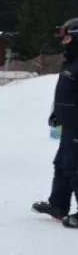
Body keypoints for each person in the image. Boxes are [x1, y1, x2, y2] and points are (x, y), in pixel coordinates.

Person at [33, 18, 78, 228]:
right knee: (61, 164)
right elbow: (66, 93)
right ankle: (58, 205)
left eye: (67, 38)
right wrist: (57, 113)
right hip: (68, 123)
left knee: (74, 167)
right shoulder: (71, 61)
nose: (63, 42)